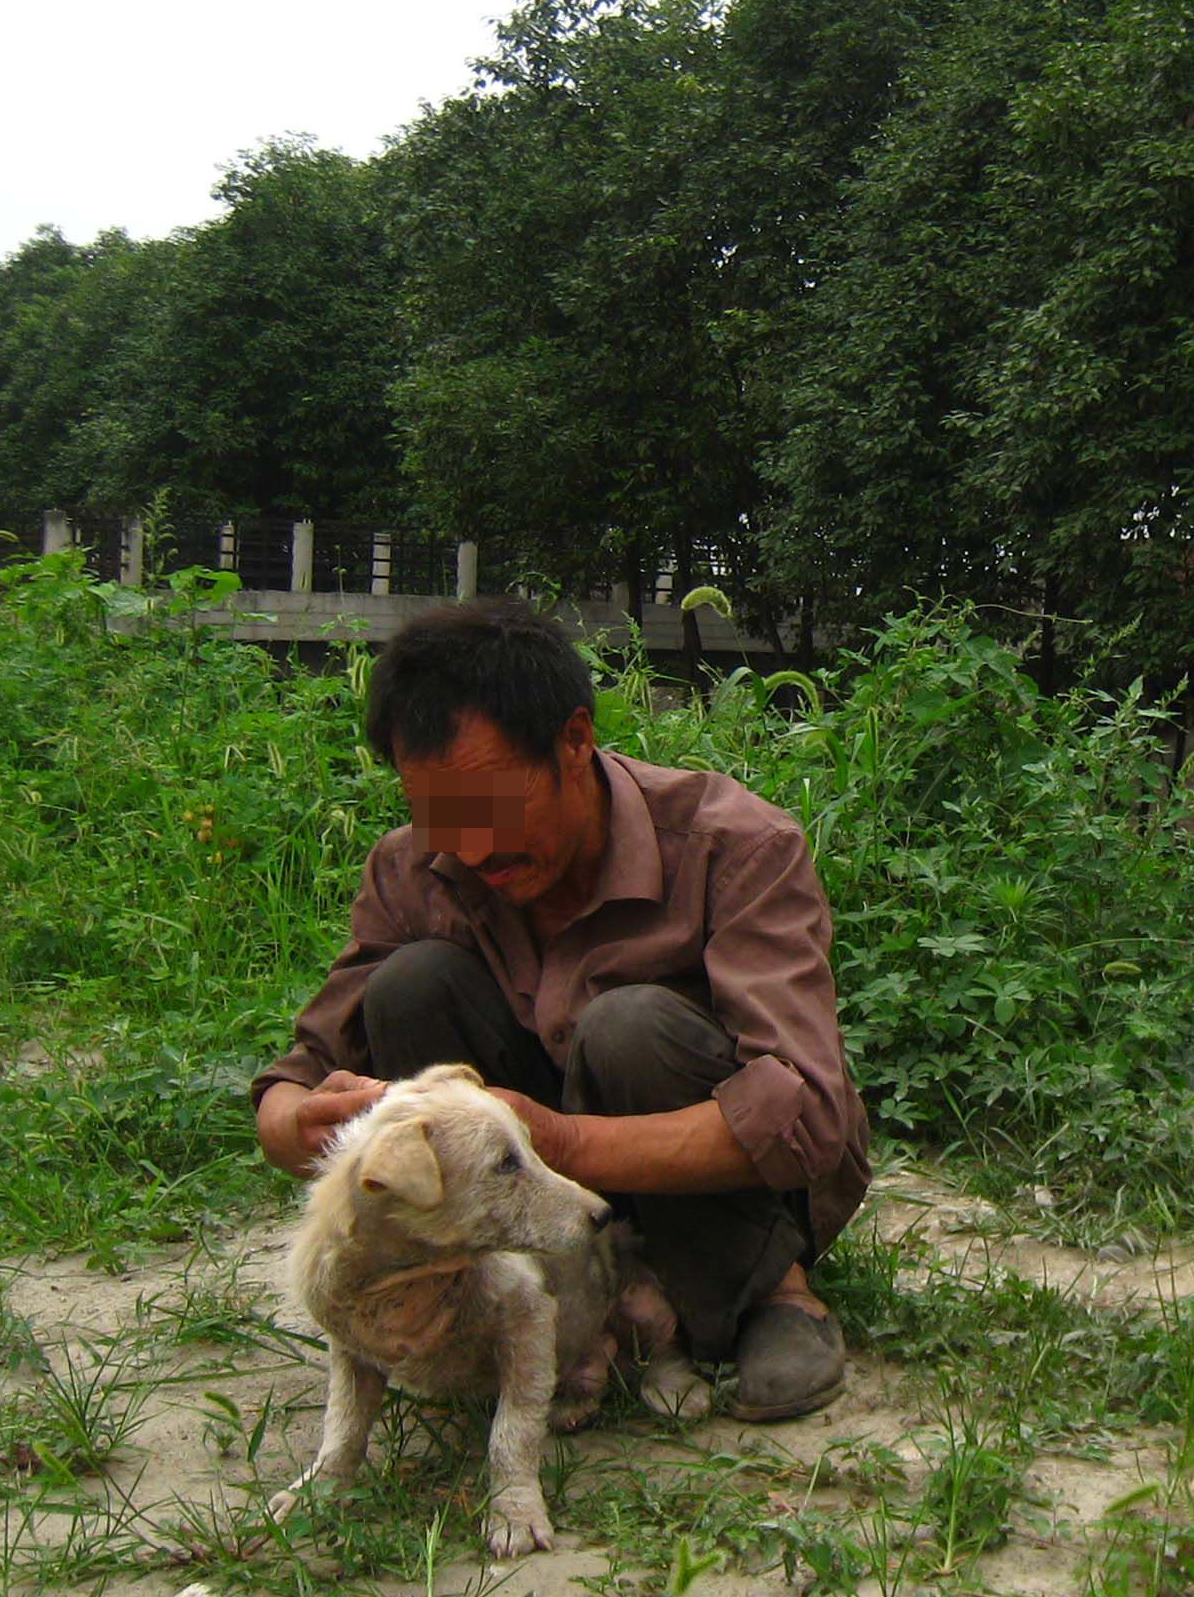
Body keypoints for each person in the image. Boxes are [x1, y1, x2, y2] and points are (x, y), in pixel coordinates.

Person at [252, 599, 870, 1422]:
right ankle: (521, 1306)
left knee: (631, 1027)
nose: (470, 846)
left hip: (709, 1189)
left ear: (574, 742)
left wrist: (560, 1139)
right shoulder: (416, 867)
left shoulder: (737, 845)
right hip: (528, 1204)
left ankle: (765, 1290)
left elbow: (807, 1113)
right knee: (409, 983)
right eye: (439, 812)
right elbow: (300, 1069)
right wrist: (295, 1122)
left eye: (492, 804)